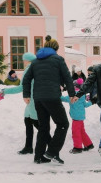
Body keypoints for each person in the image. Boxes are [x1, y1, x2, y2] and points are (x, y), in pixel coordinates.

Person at [22, 35, 76, 165]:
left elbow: (26, 79)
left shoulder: (35, 61)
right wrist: (72, 94)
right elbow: (68, 77)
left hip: (38, 99)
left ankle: (39, 157)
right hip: (52, 97)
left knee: (43, 127)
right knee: (63, 124)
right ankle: (51, 152)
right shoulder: (58, 59)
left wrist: (26, 95)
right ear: (56, 49)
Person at [2, 52, 39, 155]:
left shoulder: (29, 69)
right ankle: (28, 147)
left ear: (27, 60)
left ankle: (51, 145)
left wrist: (5, 91)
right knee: (28, 121)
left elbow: (21, 87)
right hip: (31, 99)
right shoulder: (35, 67)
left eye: (24, 60)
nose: (23, 62)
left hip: (31, 100)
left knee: (38, 125)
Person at [62, 78, 93, 154]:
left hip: (76, 118)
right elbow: (86, 104)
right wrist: (92, 101)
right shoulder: (82, 95)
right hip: (81, 117)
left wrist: (58, 93)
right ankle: (89, 144)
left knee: (76, 132)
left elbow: (62, 98)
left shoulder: (71, 96)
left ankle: (78, 147)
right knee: (82, 131)